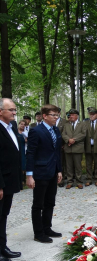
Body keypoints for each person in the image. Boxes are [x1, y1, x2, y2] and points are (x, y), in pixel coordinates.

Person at [26, 104, 62, 243]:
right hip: (40, 172)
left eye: (57, 115)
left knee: (50, 202)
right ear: (45, 116)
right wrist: (29, 175)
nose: (56, 117)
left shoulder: (56, 130)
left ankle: (47, 228)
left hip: (53, 171)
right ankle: (38, 233)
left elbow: (57, 152)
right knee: (38, 204)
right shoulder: (36, 131)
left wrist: (59, 170)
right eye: (53, 115)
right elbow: (30, 153)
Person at [0, 98, 22, 260]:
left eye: (15, 109)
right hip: (1, 182)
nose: (15, 112)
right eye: (11, 110)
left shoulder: (12, 126)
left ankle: (2, 247)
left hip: (10, 180)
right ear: (1, 111)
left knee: (3, 215)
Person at [62, 109, 86, 189]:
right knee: (69, 166)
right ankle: (70, 182)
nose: (70, 116)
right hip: (68, 148)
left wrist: (74, 140)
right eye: (70, 115)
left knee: (78, 166)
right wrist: (68, 140)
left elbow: (83, 134)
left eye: (72, 115)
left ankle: (79, 181)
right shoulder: (66, 124)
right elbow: (63, 134)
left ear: (77, 116)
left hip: (78, 148)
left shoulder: (82, 124)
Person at [84, 108, 97, 187]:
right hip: (88, 146)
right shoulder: (85, 123)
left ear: (96, 115)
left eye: (93, 114)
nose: (91, 116)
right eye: (90, 114)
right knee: (88, 164)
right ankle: (89, 179)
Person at [56, 108, 67, 187]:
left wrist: (64, 144)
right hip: (50, 146)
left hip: (61, 145)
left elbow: (66, 133)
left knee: (61, 163)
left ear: (59, 112)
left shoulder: (64, 121)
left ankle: (61, 180)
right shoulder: (49, 121)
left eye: (57, 112)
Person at [18, 120, 28, 184]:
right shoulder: (14, 131)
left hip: (23, 149)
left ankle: (23, 179)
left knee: (23, 164)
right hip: (17, 149)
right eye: (21, 124)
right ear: (19, 124)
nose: (22, 125)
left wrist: (27, 140)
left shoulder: (26, 132)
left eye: (24, 124)